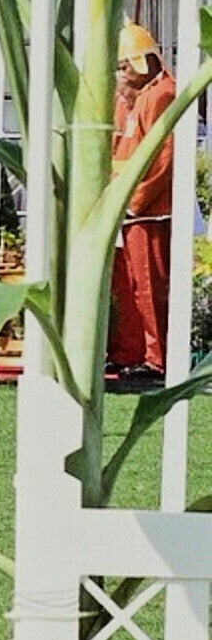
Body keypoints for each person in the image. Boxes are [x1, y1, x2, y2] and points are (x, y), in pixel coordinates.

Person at [109, 26, 182, 392]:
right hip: (125, 204)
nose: (122, 74)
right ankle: (130, 352)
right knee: (128, 285)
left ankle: (156, 359)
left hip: (147, 209)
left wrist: (136, 201)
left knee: (149, 286)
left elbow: (164, 156)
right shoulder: (136, 95)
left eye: (125, 67)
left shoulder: (162, 94)